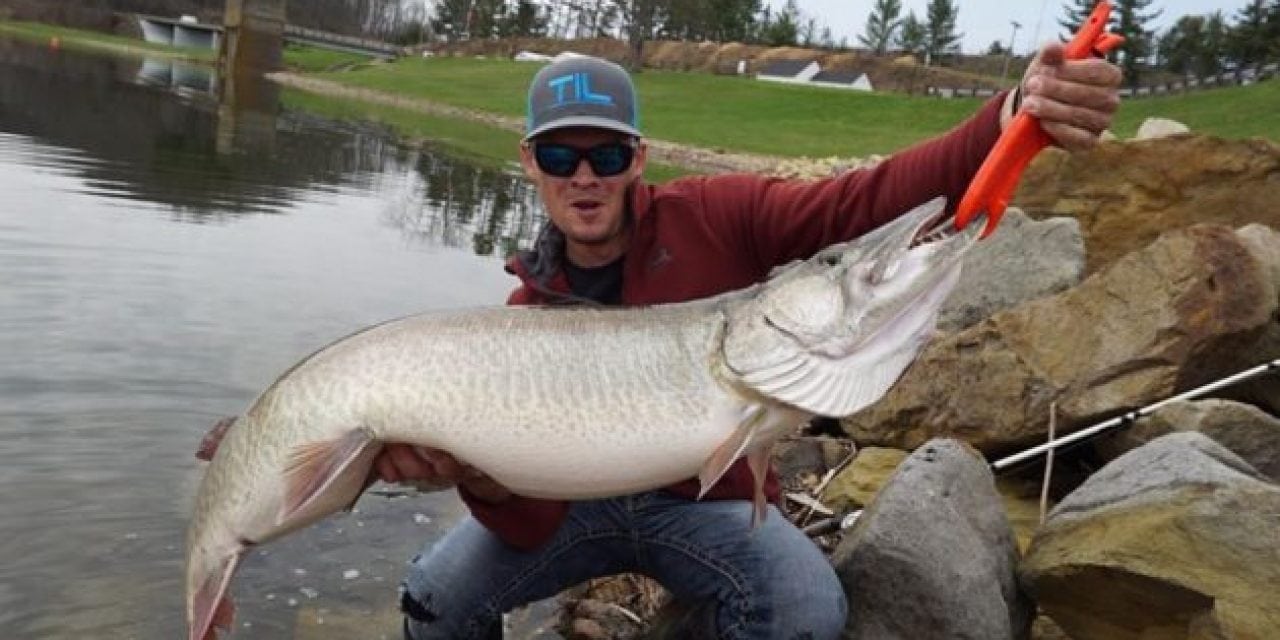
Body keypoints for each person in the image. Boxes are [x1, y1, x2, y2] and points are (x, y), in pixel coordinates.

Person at [199, 46, 1120, 639]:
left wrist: (1007, 119)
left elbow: (864, 203)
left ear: (640, 157)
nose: (586, 176)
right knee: (436, 604)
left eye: (606, 153)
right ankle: (231, 521)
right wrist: (465, 472)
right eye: (561, 157)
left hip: (703, 512)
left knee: (805, 609)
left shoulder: (723, 218)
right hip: (574, 513)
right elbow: (526, 518)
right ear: (530, 166)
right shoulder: (526, 313)